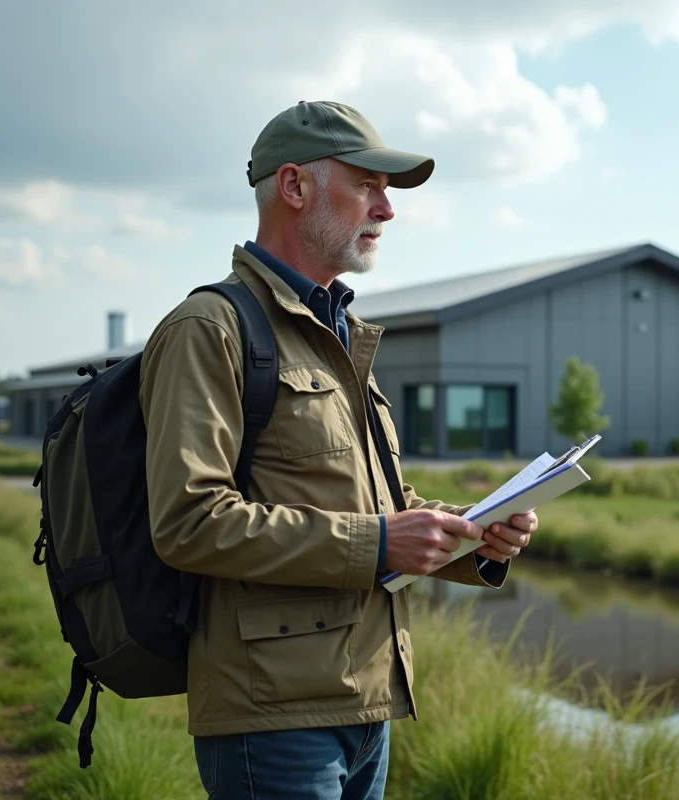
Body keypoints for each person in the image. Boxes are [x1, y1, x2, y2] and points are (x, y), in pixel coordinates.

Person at [137, 101, 538, 799]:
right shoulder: (210, 329)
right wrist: (380, 543)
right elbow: (188, 521)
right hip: (272, 716)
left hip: (366, 702)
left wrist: (475, 534)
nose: (386, 210)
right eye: (367, 186)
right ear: (294, 188)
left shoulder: (341, 333)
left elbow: (381, 509)